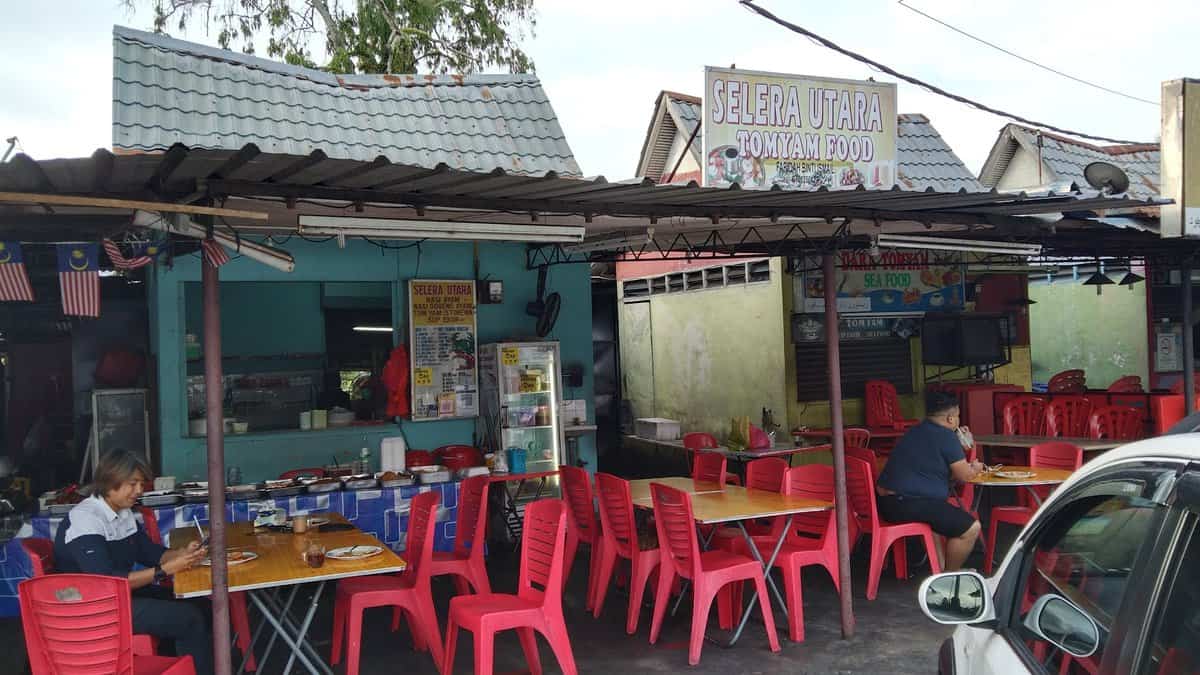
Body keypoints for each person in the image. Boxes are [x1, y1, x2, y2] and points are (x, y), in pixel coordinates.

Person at [54, 450, 212, 674]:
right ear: (110, 482)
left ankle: (176, 668)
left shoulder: (122, 511)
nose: (139, 490)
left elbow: (150, 553)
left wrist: (181, 554)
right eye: (133, 483)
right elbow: (108, 582)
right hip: (93, 608)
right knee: (189, 618)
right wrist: (164, 570)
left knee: (202, 605)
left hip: (118, 597)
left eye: (141, 483)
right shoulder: (86, 519)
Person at [875, 390, 984, 571]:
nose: (958, 420)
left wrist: (959, 447)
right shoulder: (946, 436)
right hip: (908, 503)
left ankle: (939, 569)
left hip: (888, 504)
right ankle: (950, 576)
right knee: (971, 528)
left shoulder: (915, 431)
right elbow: (964, 475)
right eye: (957, 416)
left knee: (936, 516)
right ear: (951, 419)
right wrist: (975, 468)